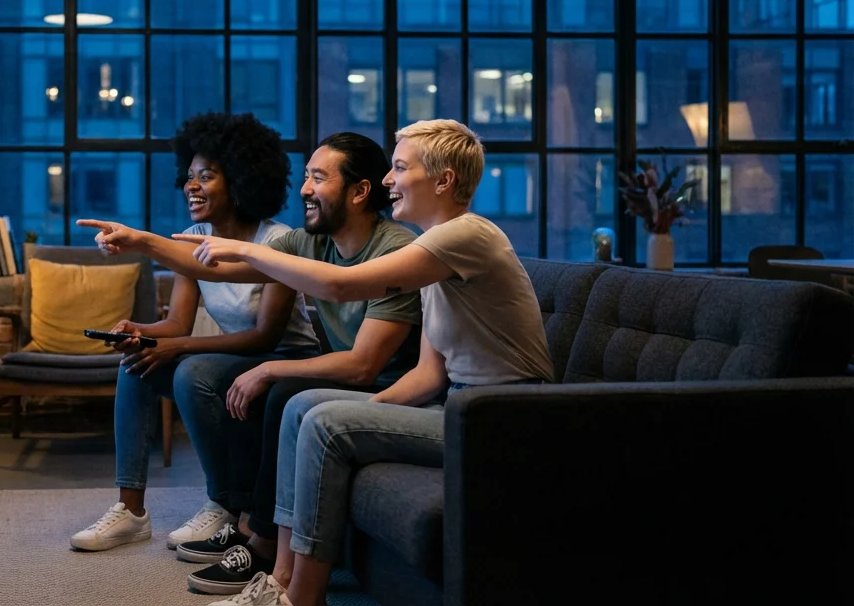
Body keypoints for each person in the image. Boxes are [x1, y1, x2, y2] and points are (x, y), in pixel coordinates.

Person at [173, 120, 553, 606]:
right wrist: (362, 413)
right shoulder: (433, 252)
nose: (388, 181)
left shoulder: (468, 235)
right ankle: (281, 578)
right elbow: (429, 375)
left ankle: (300, 598)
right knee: (307, 407)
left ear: (444, 181)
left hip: (503, 419)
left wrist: (246, 247)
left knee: (326, 423)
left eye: (399, 168)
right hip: (459, 407)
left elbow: (340, 284)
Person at [78, 132, 425, 597]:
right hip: (349, 373)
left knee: (274, 389)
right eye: (305, 177)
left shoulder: (393, 248)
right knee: (156, 366)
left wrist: (268, 368)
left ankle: (250, 531)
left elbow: (361, 363)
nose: (305, 189)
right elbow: (217, 269)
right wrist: (140, 240)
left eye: (318, 178)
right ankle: (179, 518)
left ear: (359, 192)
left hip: (386, 385)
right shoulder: (312, 241)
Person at [70, 112, 320, 554]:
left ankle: (222, 504)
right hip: (232, 361)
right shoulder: (190, 239)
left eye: (207, 176)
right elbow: (177, 325)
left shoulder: (279, 241)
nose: (191, 186)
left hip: (285, 363)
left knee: (191, 371)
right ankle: (131, 512)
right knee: (138, 365)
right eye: (189, 176)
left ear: (241, 179)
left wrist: (176, 347)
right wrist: (143, 334)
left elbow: (263, 338)